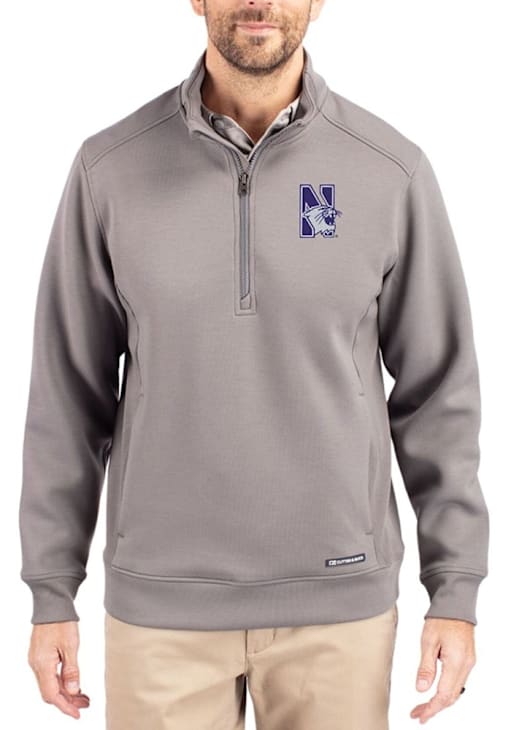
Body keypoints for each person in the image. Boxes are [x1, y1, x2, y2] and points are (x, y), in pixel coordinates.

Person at [19, 1, 489, 728]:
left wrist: (453, 589)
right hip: (160, 609)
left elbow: (438, 393)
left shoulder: (388, 170)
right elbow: (67, 396)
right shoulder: (109, 170)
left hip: (340, 610)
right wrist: (52, 590)